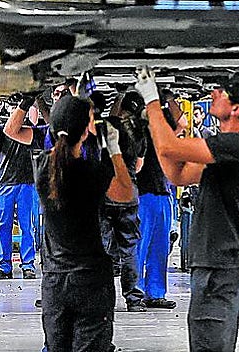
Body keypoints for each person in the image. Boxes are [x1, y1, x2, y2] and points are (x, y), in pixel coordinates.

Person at [135, 71, 239, 352]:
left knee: (209, 343)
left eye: (222, 92)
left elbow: (170, 147)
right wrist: (155, 123)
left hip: (219, 266)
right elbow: (178, 174)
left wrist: (152, 101)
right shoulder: (225, 150)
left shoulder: (236, 145)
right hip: (213, 263)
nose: (213, 94)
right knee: (207, 340)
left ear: (236, 109)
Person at [35, 93, 135, 352]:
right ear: (83, 131)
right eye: (91, 120)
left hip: (55, 282)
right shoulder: (92, 173)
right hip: (90, 281)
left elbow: (64, 144)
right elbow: (126, 193)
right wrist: (113, 150)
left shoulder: (43, 168)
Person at [100, 91, 148, 311]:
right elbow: (138, 167)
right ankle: (133, 299)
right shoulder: (139, 132)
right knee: (129, 248)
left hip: (107, 193)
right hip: (129, 194)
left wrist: (117, 95)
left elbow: (112, 116)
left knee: (103, 248)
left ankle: (102, 298)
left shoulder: (110, 124)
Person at [0, 93, 41, 280]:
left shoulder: (29, 131)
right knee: (3, 226)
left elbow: (34, 116)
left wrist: (30, 101)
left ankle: (28, 265)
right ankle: (4, 266)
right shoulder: (2, 130)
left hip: (26, 183)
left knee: (27, 226)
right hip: (6, 183)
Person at [136, 92, 182, 309]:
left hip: (163, 196)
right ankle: (134, 294)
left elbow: (181, 122)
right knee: (139, 247)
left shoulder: (164, 135)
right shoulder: (136, 131)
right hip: (141, 196)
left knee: (159, 248)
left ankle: (155, 294)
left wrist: (170, 97)